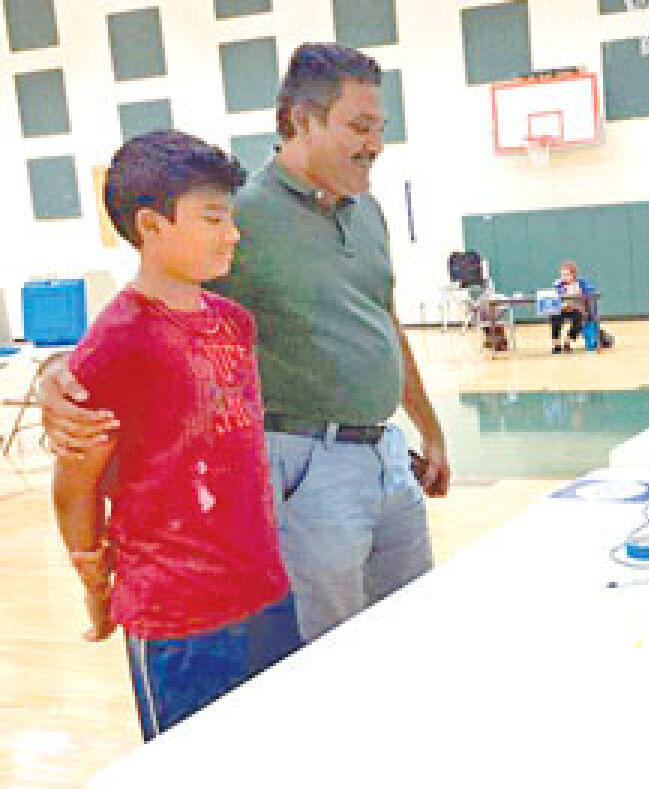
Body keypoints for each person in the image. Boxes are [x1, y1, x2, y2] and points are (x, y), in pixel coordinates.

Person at [40, 43, 450, 667]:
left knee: (411, 631)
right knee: (330, 659)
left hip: (388, 457)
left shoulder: (369, 213)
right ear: (300, 121)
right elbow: (152, 309)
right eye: (359, 127)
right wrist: (55, 376)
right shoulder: (243, 216)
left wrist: (428, 428)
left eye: (380, 129)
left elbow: (384, 321)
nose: (375, 144)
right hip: (307, 466)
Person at [50, 130, 289, 740]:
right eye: (212, 218)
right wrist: (92, 577)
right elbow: (76, 484)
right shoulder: (118, 341)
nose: (231, 233)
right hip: (178, 614)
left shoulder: (234, 323)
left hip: (262, 590)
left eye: (229, 217)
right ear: (152, 226)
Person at [549, 259, 595, 354]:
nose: (563, 277)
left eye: (566, 275)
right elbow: (554, 298)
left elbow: (590, 292)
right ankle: (556, 343)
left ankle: (568, 340)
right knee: (554, 316)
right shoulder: (558, 284)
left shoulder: (581, 283)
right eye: (562, 275)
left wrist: (583, 293)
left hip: (576, 309)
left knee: (579, 318)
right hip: (562, 309)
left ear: (573, 275)